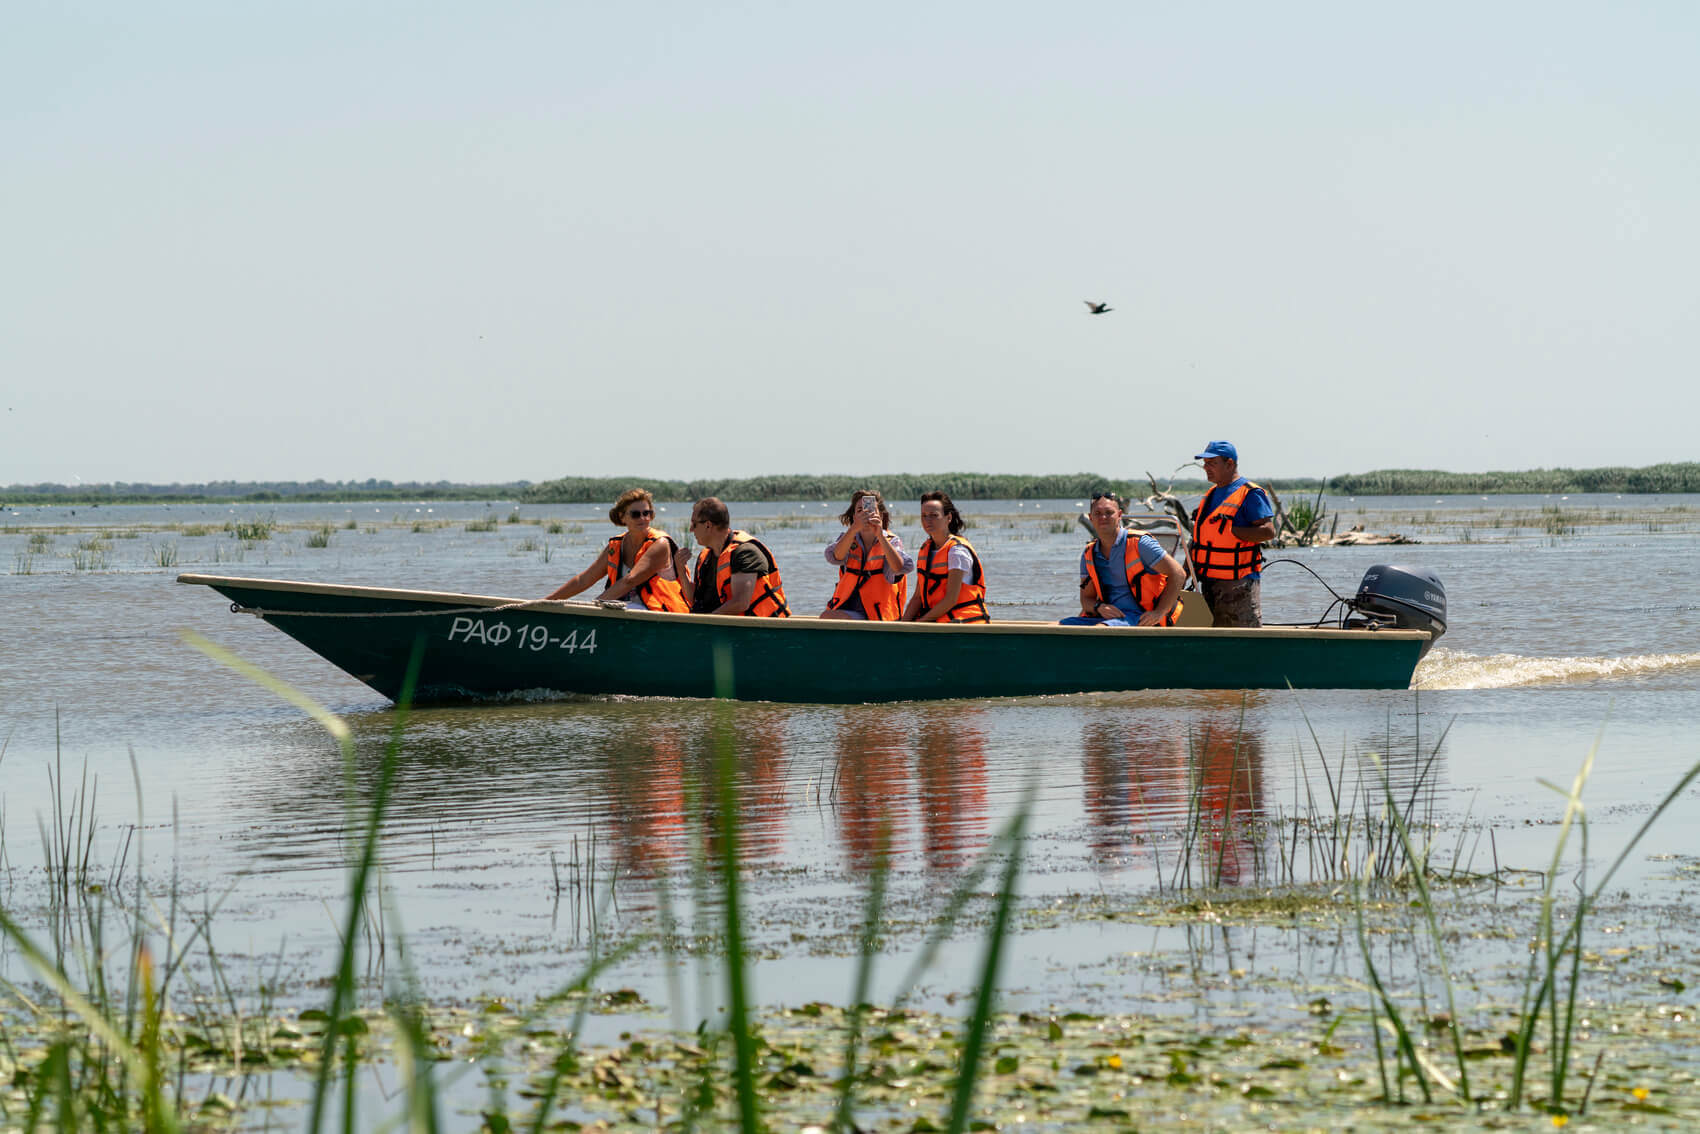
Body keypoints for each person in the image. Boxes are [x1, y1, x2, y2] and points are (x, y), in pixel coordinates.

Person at [544, 488, 689, 612]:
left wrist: (593, 607)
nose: (643, 518)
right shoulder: (616, 545)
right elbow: (584, 580)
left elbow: (630, 581)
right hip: (626, 610)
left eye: (647, 513)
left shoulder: (660, 544)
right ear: (622, 517)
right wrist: (545, 602)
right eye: (635, 514)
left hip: (661, 614)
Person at [1062, 491, 1186, 627]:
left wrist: (1159, 613)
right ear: (1091, 518)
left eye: (1109, 513)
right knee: (1057, 627)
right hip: (1106, 618)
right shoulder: (1089, 553)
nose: (1103, 517)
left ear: (1120, 515)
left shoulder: (1140, 543)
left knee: (1100, 629)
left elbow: (1179, 574)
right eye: (1098, 514)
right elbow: (1086, 599)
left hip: (1140, 617)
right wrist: (1099, 608)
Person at [1190, 440, 1276, 627]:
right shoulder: (1212, 494)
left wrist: (1234, 532)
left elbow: (1268, 531)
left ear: (1230, 464)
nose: (1206, 468)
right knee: (1212, 638)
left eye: (1212, 463)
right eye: (1205, 463)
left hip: (1239, 585)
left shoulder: (1250, 493)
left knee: (1244, 639)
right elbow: (1198, 541)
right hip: (1209, 582)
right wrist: (1184, 573)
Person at [681, 497, 790, 617]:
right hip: (720, 628)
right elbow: (695, 600)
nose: (691, 529)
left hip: (761, 629)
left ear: (708, 525)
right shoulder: (705, 558)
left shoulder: (745, 552)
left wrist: (706, 622)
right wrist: (681, 570)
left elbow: (741, 603)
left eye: (694, 524)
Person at [821, 489, 914, 620]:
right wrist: (853, 529)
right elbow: (835, 557)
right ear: (854, 517)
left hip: (878, 614)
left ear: (880, 516)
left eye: (871, 510)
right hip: (848, 608)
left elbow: (899, 567)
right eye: (860, 511)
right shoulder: (848, 538)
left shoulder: (892, 541)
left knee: (827, 617)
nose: (865, 514)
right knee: (828, 616)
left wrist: (880, 536)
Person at [903, 491, 989, 623]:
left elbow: (951, 599)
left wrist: (921, 623)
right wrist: (903, 625)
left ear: (948, 518)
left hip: (963, 623)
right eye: (924, 516)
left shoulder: (957, 551)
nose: (927, 521)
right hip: (936, 621)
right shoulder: (925, 549)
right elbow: (917, 598)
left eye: (934, 515)